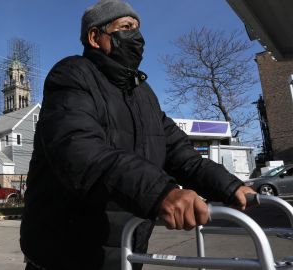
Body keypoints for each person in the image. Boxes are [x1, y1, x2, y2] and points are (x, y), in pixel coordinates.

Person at [20, 1, 255, 269]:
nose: (137, 37)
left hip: (127, 255)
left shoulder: (145, 96)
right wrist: (160, 193)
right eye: (126, 27)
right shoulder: (72, 76)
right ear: (95, 37)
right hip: (65, 256)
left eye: (138, 29)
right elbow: (81, 153)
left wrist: (231, 187)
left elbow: (182, 156)